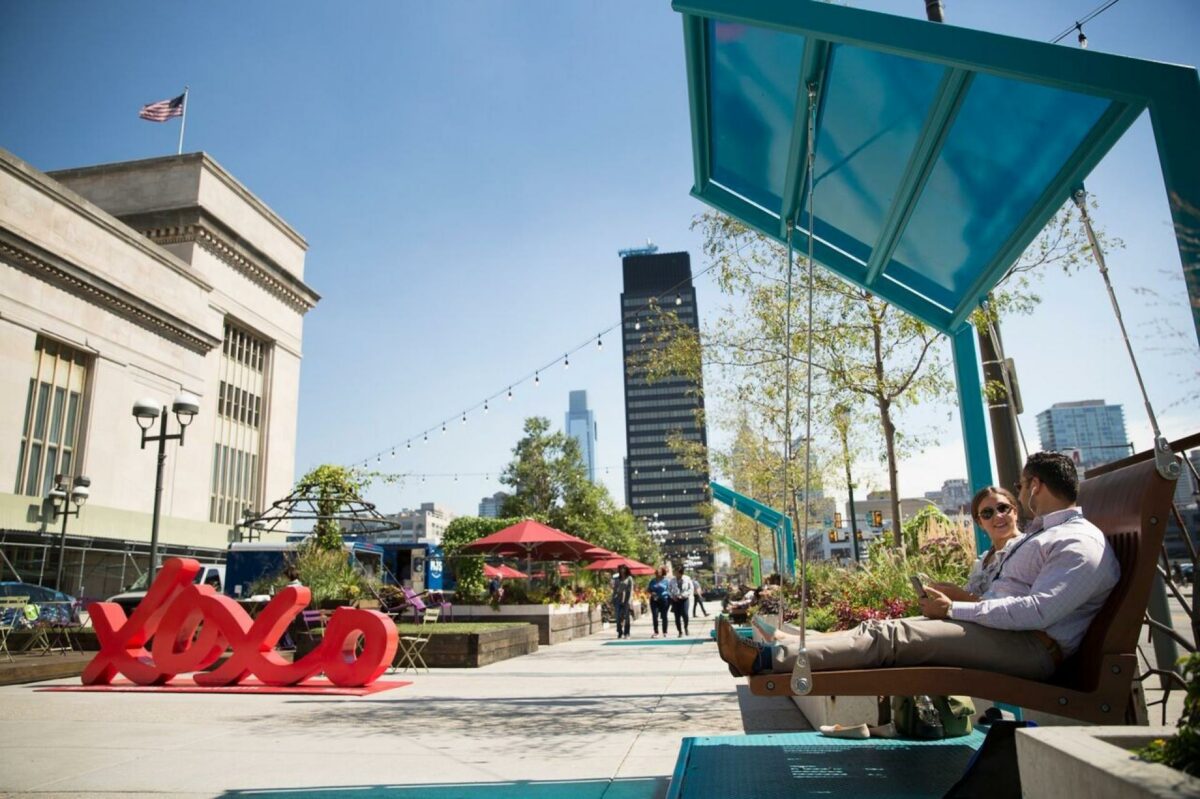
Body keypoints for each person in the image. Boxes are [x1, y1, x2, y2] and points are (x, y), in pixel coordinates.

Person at [718, 452, 1120, 683]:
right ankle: (776, 652)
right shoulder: (1045, 535)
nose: (1012, 499)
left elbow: (1038, 611)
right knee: (883, 631)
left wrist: (955, 608)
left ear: (1034, 486)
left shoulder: (1078, 542)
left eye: (1017, 489)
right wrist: (958, 600)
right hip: (1008, 635)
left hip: (1031, 648)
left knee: (896, 635)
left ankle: (767, 661)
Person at [669, 565, 693, 637]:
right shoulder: (672, 580)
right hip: (675, 600)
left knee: (685, 614)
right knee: (677, 616)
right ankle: (680, 631)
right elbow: (669, 589)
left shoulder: (687, 578)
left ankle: (686, 627)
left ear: (680, 572)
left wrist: (684, 595)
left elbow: (691, 588)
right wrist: (672, 596)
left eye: (676, 572)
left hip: (684, 599)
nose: (675, 573)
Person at [612, 564, 634, 639]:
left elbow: (631, 590)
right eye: (621, 569)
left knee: (626, 617)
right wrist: (613, 598)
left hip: (626, 599)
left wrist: (629, 600)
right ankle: (619, 632)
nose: (622, 570)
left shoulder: (629, 578)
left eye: (623, 569)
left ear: (626, 570)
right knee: (618, 617)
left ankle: (627, 633)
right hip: (618, 599)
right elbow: (615, 590)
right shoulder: (617, 579)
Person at [648, 567, 671, 638]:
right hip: (654, 600)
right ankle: (656, 632)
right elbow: (649, 589)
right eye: (657, 572)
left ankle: (665, 631)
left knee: (664, 616)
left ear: (662, 573)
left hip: (664, 600)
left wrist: (666, 595)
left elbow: (669, 590)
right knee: (655, 616)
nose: (657, 574)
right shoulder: (652, 581)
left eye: (659, 572)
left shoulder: (666, 581)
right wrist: (652, 593)